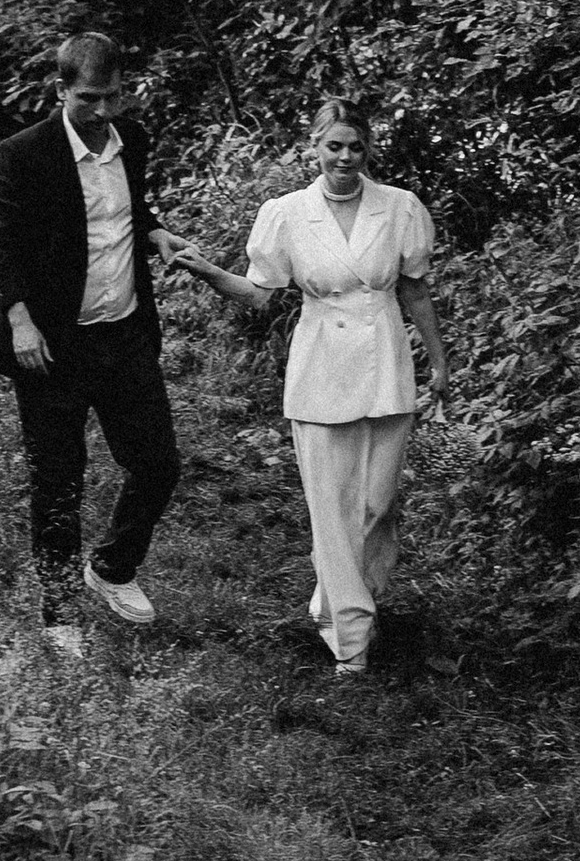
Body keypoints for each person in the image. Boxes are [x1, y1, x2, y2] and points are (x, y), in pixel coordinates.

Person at [161, 99, 445, 683]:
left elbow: (415, 291)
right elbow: (260, 293)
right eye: (332, 146)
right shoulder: (286, 213)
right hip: (322, 365)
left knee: (379, 505)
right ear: (313, 147)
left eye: (354, 146)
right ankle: (352, 640)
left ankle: (338, 599)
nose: (344, 157)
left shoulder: (400, 208)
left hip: (387, 362)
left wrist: (439, 362)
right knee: (333, 508)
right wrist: (204, 269)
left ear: (368, 149)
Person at [0, 31, 181, 650]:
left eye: (113, 97)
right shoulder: (23, 154)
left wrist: (154, 235)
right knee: (58, 481)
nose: (102, 112)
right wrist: (19, 321)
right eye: (89, 99)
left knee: (158, 465)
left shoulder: (133, 143)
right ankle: (60, 612)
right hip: (52, 348)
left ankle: (112, 569)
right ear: (61, 89)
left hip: (123, 336)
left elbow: (126, 212)